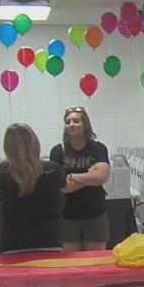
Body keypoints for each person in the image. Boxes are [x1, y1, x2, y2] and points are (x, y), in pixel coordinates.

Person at [0, 123, 65, 253]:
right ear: (35, 143)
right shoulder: (52, 169)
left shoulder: (3, 171)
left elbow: (2, 200)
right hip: (49, 239)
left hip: (13, 240)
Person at [49, 107, 111, 252]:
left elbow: (102, 176)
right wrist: (89, 175)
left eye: (76, 121)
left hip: (95, 214)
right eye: (68, 121)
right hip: (67, 215)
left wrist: (72, 176)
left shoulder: (98, 148)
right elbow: (62, 187)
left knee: (95, 263)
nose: (71, 124)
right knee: (71, 266)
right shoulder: (58, 151)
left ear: (85, 125)